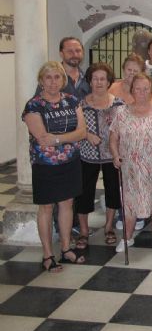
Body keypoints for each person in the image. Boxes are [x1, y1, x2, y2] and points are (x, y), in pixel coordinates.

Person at [23, 61, 88, 271]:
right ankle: (48, 254)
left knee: (67, 204)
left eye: (57, 77)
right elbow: (42, 139)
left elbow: (82, 132)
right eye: (48, 78)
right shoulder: (34, 106)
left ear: (63, 80)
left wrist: (58, 139)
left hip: (70, 161)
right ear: (41, 81)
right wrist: (67, 138)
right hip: (45, 164)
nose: (53, 82)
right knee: (46, 207)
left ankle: (66, 248)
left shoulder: (72, 100)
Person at [109, 73, 152, 253]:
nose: (142, 92)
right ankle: (127, 237)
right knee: (130, 203)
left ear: (151, 90)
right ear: (132, 91)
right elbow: (113, 137)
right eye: (138, 89)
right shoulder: (121, 112)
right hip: (131, 168)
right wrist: (115, 155)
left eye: (146, 89)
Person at [77, 63, 125, 249]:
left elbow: (123, 129)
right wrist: (87, 135)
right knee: (84, 193)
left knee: (113, 191)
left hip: (111, 155)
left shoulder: (118, 104)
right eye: (95, 78)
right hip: (87, 155)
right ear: (89, 81)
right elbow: (76, 128)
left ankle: (108, 226)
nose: (98, 82)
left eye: (102, 79)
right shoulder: (81, 105)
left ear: (108, 81)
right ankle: (83, 230)